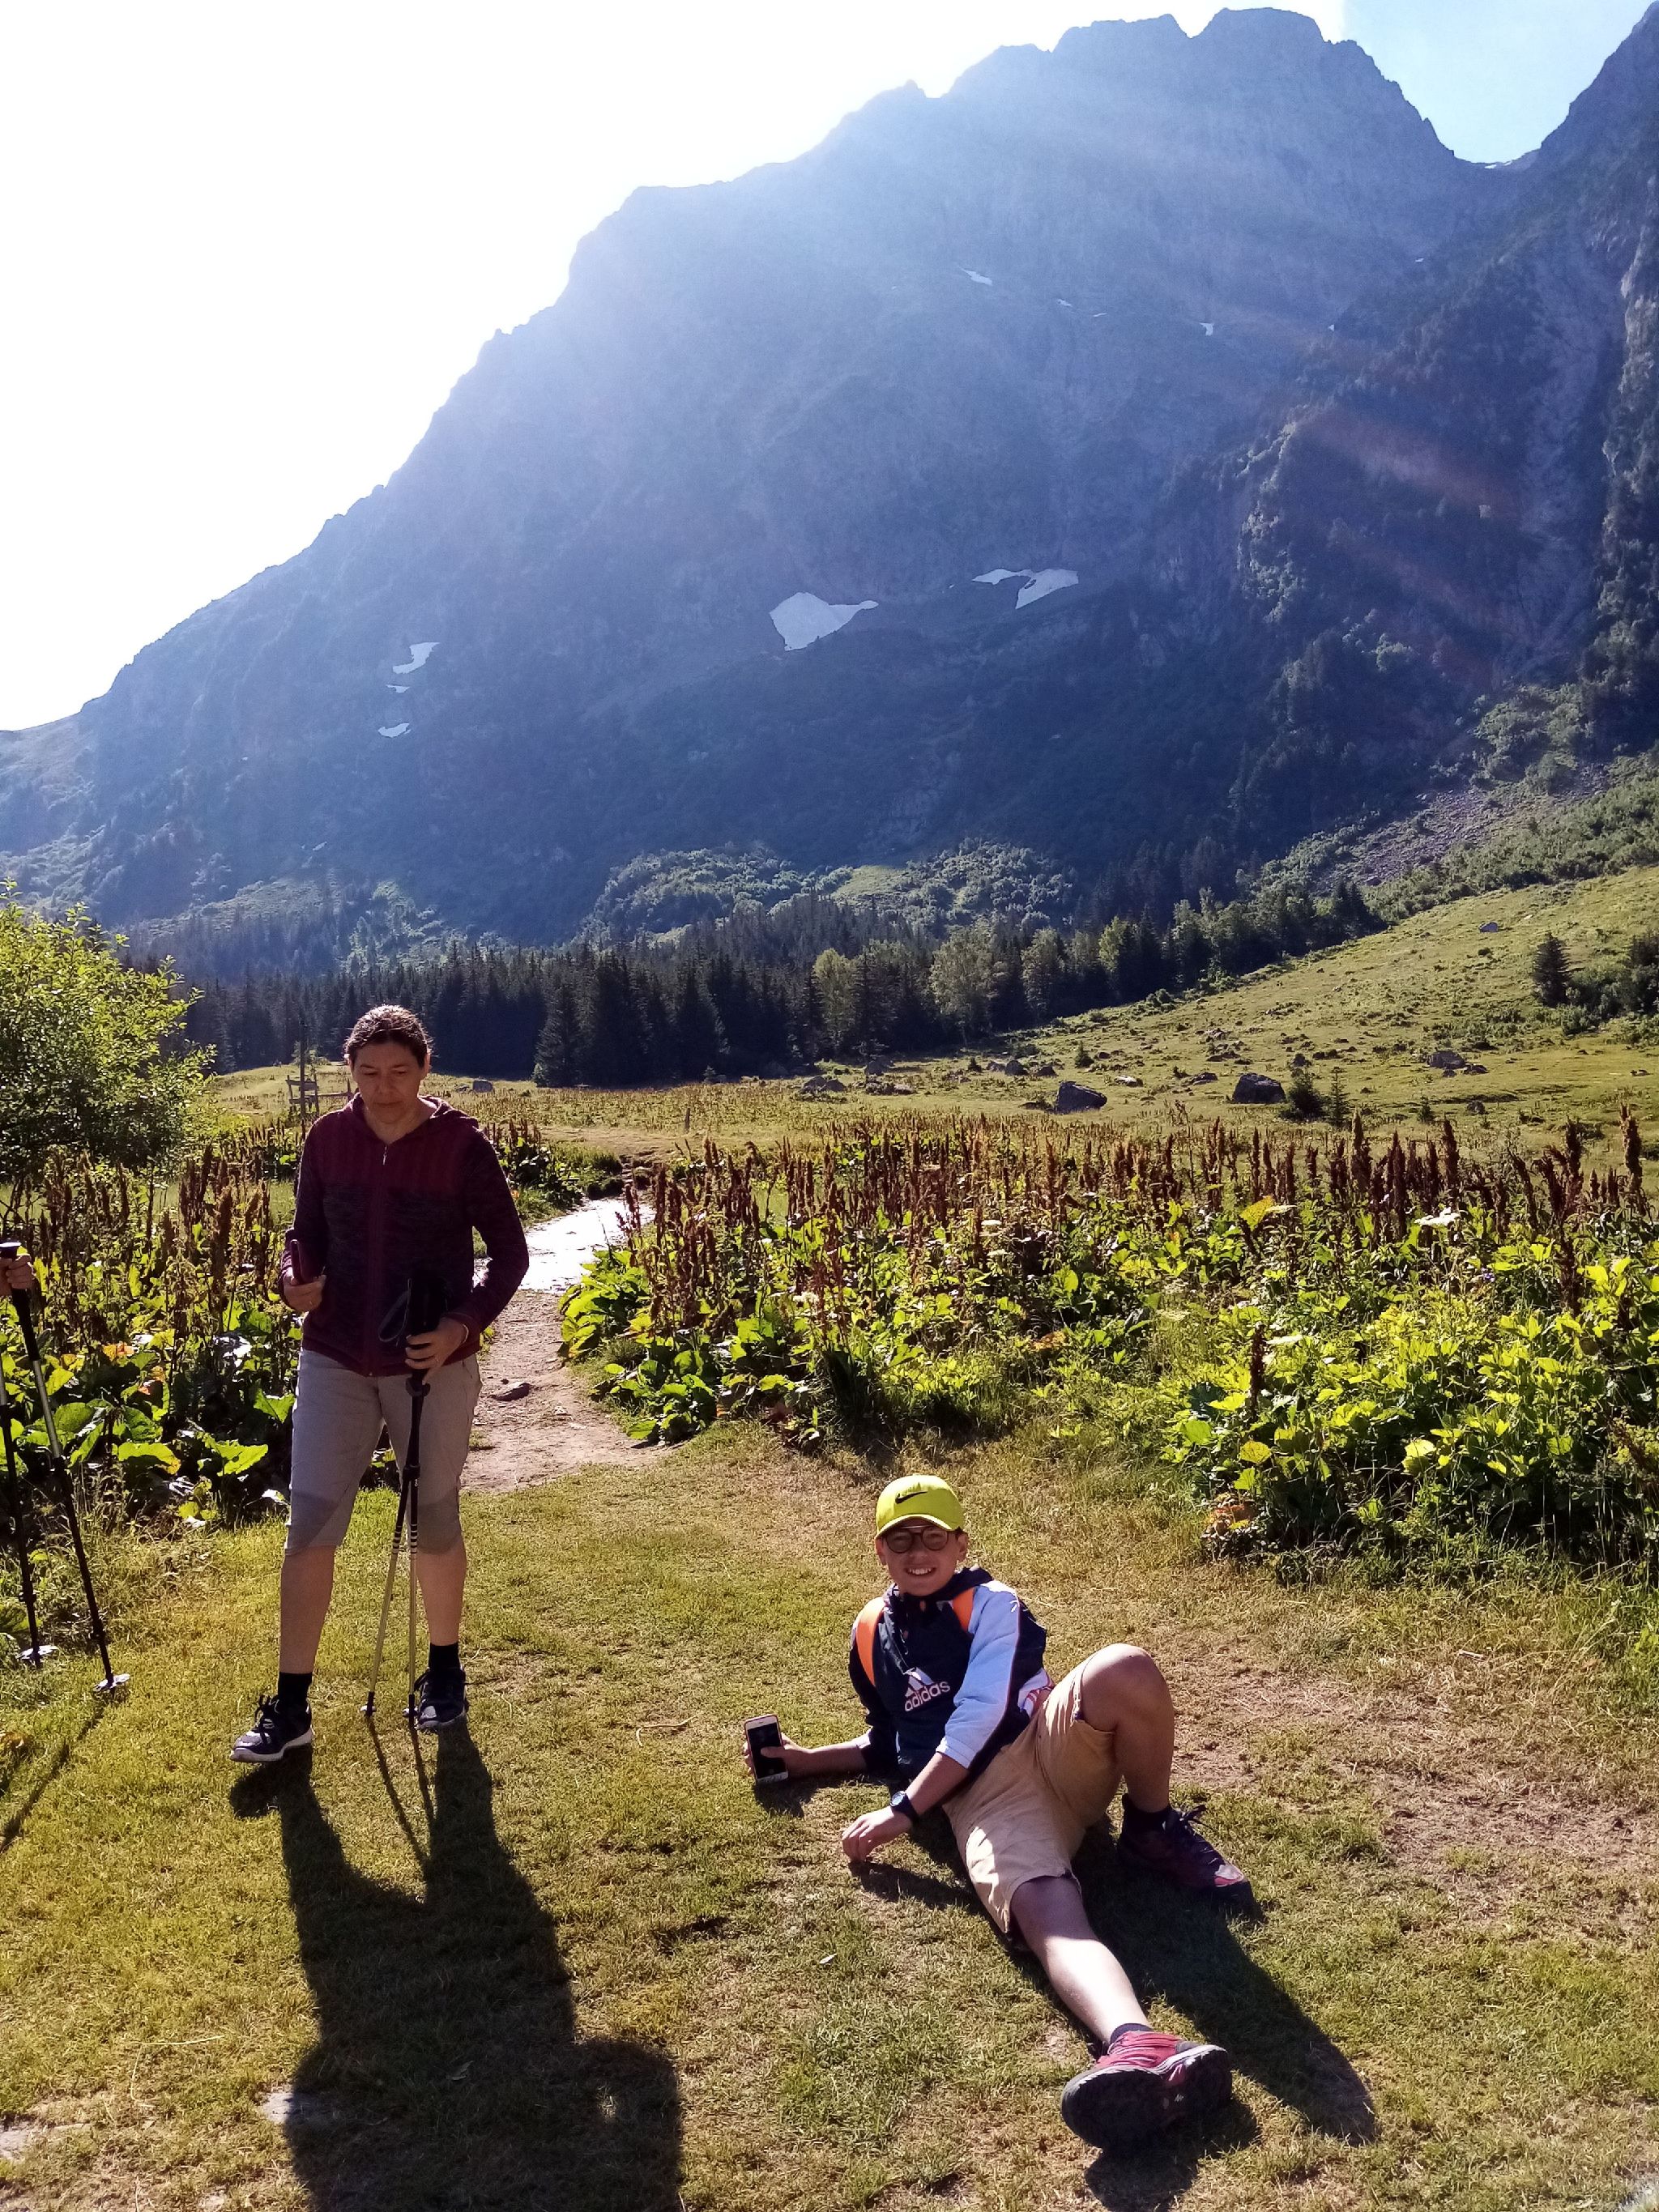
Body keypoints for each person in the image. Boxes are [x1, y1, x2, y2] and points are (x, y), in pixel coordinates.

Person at [745, 1472, 1251, 2154]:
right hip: (983, 1798)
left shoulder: (991, 1603)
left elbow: (981, 1716)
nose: (918, 1552)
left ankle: (1152, 1829)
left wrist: (904, 1811)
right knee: (1045, 1911)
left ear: (961, 1544)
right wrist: (809, 1759)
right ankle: (1140, 2044)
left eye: (932, 1537)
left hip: (1049, 1743)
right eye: (901, 1538)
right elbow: (895, 1740)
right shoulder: (869, 1634)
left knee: (1124, 1667)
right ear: (879, 1550)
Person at [232, 1006, 528, 1763]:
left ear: (425, 1067)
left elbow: (510, 1255)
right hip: (334, 1353)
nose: (385, 1087)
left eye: (399, 1072)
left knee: (434, 1519)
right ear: (350, 1071)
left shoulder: (462, 1145)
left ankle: (444, 1674)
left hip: (430, 1362)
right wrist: (293, 1279)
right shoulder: (327, 1138)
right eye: (369, 1073)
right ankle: (290, 1705)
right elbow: (304, 1235)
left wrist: (462, 1325)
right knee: (309, 1527)